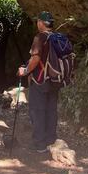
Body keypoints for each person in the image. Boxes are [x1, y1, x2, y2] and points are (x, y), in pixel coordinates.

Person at [17, 11, 59, 153]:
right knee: (51, 110)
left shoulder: (40, 37)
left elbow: (35, 59)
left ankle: (40, 144)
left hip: (40, 80)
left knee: (38, 110)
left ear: (41, 22)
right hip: (55, 80)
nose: (37, 24)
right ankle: (51, 140)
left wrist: (25, 71)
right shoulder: (57, 37)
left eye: (37, 21)